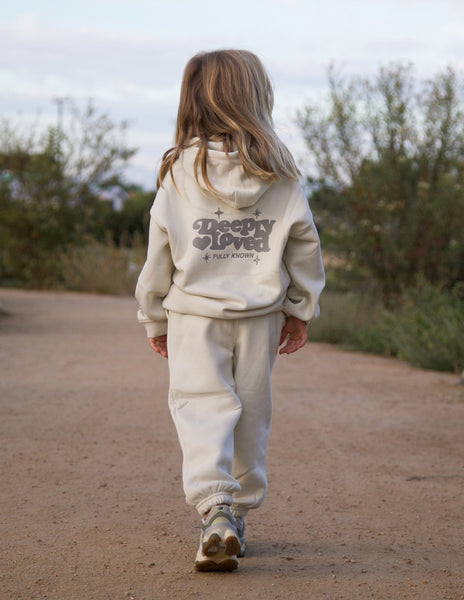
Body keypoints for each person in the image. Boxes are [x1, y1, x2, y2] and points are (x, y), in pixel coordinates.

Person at [135, 49, 325, 572]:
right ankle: (236, 513)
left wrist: (153, 315)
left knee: (201, 406)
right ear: (257, 97)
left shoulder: (178, 172)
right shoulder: (281, 172)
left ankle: (214, 508)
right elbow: (305, 245)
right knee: (252, 411)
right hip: (260, 317)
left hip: (194, 316)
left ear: (192, 100)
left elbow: (159, 254)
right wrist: (300, 308)